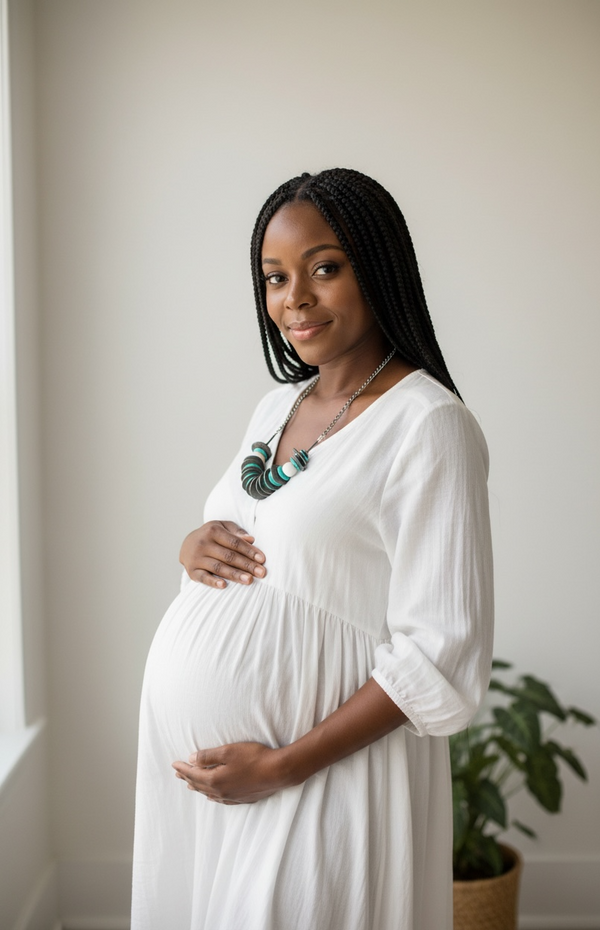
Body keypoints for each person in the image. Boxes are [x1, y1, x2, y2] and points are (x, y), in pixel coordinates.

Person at [131, 168, 494, 930]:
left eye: (325, 267)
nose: (294, 297)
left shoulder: (428, 424)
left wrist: (279, 768)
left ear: (380, 267)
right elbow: (260, 525)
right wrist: (192, 545)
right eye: (275, 278)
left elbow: (442, 651)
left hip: (320, 776)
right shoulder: (279, 404)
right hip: (218, 793)